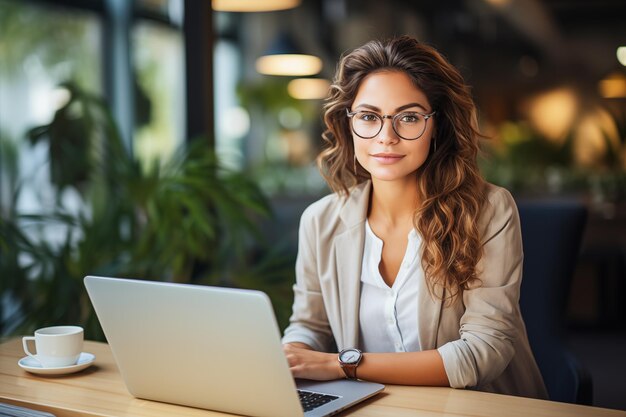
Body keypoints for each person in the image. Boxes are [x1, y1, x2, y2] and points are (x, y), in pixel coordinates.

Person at [281, 35, 548, 399]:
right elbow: (309, 325)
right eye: (369, 117)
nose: (386, 137)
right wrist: (292, 354)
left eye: (408, 117)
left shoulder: (488, 211)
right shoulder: (320, 221)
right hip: (371, 406)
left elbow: (482, 353)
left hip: (474, 406)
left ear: (436, 125)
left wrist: (343, 365)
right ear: (348, 123)